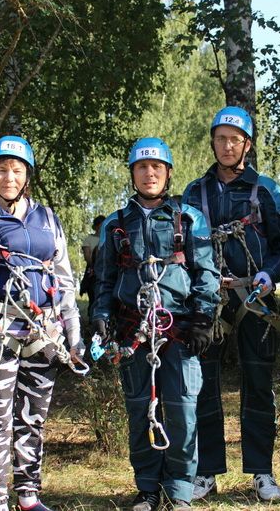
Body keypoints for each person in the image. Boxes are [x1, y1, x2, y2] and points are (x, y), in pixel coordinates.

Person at [0, 135, 84, 511]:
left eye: (16, 170)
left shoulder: (48, 219)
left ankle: (28, 497)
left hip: (43, 335)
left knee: (33, 421)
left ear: (26, 175)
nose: (8, 177)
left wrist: (74, 336)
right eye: (0, 170)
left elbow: (64, 281)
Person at [91, 137, 220, 511]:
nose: (150, 174)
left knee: (181, 409)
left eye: (157, 168)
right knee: (139, 410)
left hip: (179, 329)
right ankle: (147, 487)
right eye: (142, 168)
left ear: (168, 173)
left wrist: (203, 318)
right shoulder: (115, 225)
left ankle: (179, 490)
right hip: (133, 331)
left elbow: (206, 272)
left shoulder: (188, 218)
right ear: (132, 173)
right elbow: (103, 278)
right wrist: (100, 317)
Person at [181, 106, 280, 502]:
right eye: (220, 139)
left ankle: (262, 470)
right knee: (204, 385)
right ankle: (206, 471)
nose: (227, 146)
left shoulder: (267, 190)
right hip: (209, 300)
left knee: (258, 383)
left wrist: (270, 274)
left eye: (234, 139)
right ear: (212, 142)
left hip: (256, 298)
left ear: (246, 144)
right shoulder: (195, 192)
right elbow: (184, 248)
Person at [79, 214, 105, 319]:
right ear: (97, 226)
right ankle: (92, 320)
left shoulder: (109, 238)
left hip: (106, 270)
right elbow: (87, 257)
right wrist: (96, 264)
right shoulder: (89, 239)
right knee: (93, 296)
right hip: (93, 270)